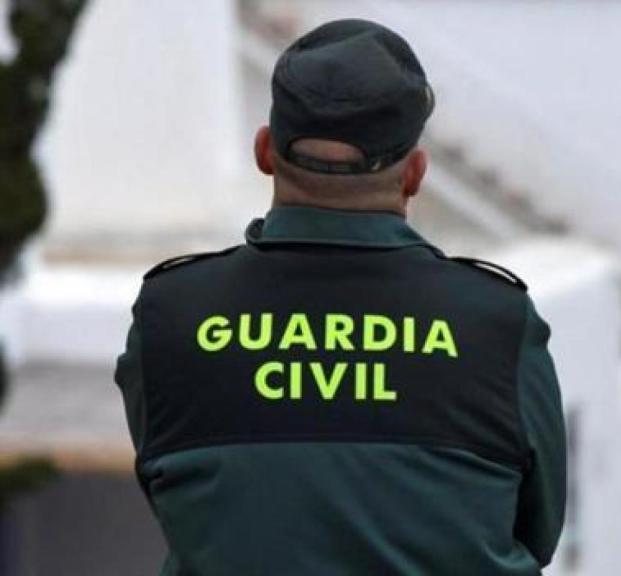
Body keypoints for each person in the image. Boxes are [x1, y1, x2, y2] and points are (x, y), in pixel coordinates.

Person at [114, 19, 566, 576]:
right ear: (415, 175)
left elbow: (188, 502)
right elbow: (538, 533)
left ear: (264, 151)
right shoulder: (496, 324)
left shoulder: (171, 316)